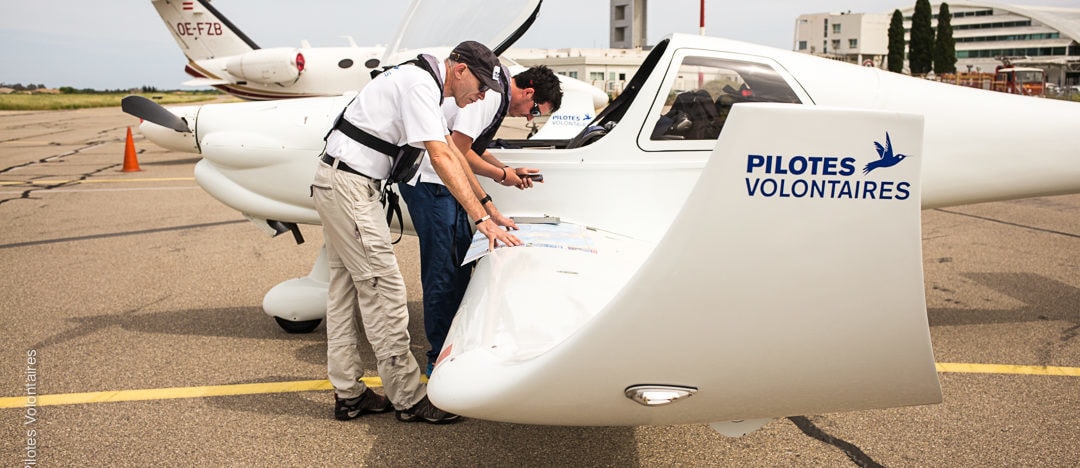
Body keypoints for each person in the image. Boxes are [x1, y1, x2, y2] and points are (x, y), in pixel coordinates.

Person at [311, 40, 522, 424]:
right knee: (384, 291)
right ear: (459, 69)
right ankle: (409, 399)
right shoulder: (420, 85)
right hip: (349, 187)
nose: (480, 97)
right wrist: (481, 220)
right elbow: (440, 157)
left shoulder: (419, 82)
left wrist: (488, 206)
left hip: (339, 181)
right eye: (479, 86)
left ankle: (350, 394)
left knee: (344, 290)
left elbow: (454, 154)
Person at [399, 65, 563, 376]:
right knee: (443, 271)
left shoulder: (496, 91)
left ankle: (458, 343)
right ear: (529, 92)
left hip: (444, 184)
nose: (530, 118)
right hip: (433, 184)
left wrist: (507, 173)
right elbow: (459, 154)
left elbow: (474, 150)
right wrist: (493, 192)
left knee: (460, 265)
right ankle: (439, 359)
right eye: (535, 110)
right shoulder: (491, 94)